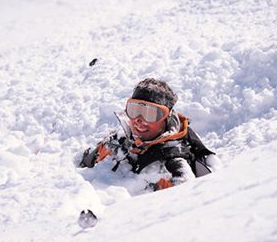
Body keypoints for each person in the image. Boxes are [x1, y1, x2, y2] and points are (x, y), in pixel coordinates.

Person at [79, 78, 217, 191]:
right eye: (135, 110)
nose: (139, 120)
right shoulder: (118, 141)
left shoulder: (174, 167)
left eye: (150, 114)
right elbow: (83, 163)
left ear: (166, 117)